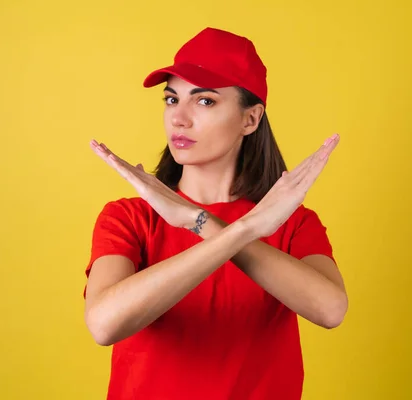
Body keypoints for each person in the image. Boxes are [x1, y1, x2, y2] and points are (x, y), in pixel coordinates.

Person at [83, 27, 348, 400]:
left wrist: (198, 222)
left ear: (250, 120)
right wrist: (243, 230)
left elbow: (330, 309)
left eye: (204, 101)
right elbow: (104, 325)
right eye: (172, 99)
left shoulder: (293, 223)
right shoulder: (128, 218)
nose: (179, 118)